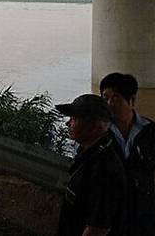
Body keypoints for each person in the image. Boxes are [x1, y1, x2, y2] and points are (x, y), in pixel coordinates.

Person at [56, 94, 127, 236]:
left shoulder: (105, 169)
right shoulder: (90, 153)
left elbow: (98, 228)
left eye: (74, 119)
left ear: (95, 126)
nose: (68, 123)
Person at [100, 73, 155, 235]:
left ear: (132, 101)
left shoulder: (151, 132)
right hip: (107, 215)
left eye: (116, 98)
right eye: (105, 98)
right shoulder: (98, 132)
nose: (109, 104)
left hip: (142, 216)